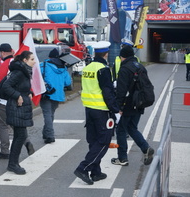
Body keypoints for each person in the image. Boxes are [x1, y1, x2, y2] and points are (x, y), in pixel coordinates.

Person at [74, 41, 119, 185]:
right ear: (106, 54)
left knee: (93, 141)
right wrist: (115, 109)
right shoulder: (103, 69)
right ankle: (83, 168)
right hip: (102, 110)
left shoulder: (88, 67)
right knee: (104, 141)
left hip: (89, 109)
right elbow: (108, 91)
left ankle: (96, 172)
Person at [111, 45, 154, 166]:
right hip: (139, 103)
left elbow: (121, 91)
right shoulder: (140, 67)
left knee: (121, 130)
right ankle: (145, 148)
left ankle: (122, 158)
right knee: (132, 128)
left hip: (128, 104)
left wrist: (118, 108)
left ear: (122, 57)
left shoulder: (124, 69)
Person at [0, 43, 34, 160]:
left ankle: (5, 151)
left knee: (3, 125)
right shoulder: (19, 64)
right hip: (20, 100)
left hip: (6, 101)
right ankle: (27, 141)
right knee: (18, 125)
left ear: (2, 53)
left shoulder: (5, 64)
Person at [1, 51, 35, 175]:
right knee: (20, 136)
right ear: (25, 60)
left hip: (21, 108)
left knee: (19, 136)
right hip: (17, 108)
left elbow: (21, 87)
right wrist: (17, 96)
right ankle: (13, 164)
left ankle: (13, 163)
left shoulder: (25, 72)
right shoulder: (19, 72)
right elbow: (6, 86)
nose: (34, 61)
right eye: (32, 59)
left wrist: (29, 92)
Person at [39, 48, 72, 143]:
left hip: (46, 93)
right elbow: (68, 82)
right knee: (51, 114)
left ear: (49, 57)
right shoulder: (63, 68)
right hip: (58, 94)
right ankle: (46, 133)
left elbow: (36, 77)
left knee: (47, 114)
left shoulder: (44, 65)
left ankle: (50, 135)